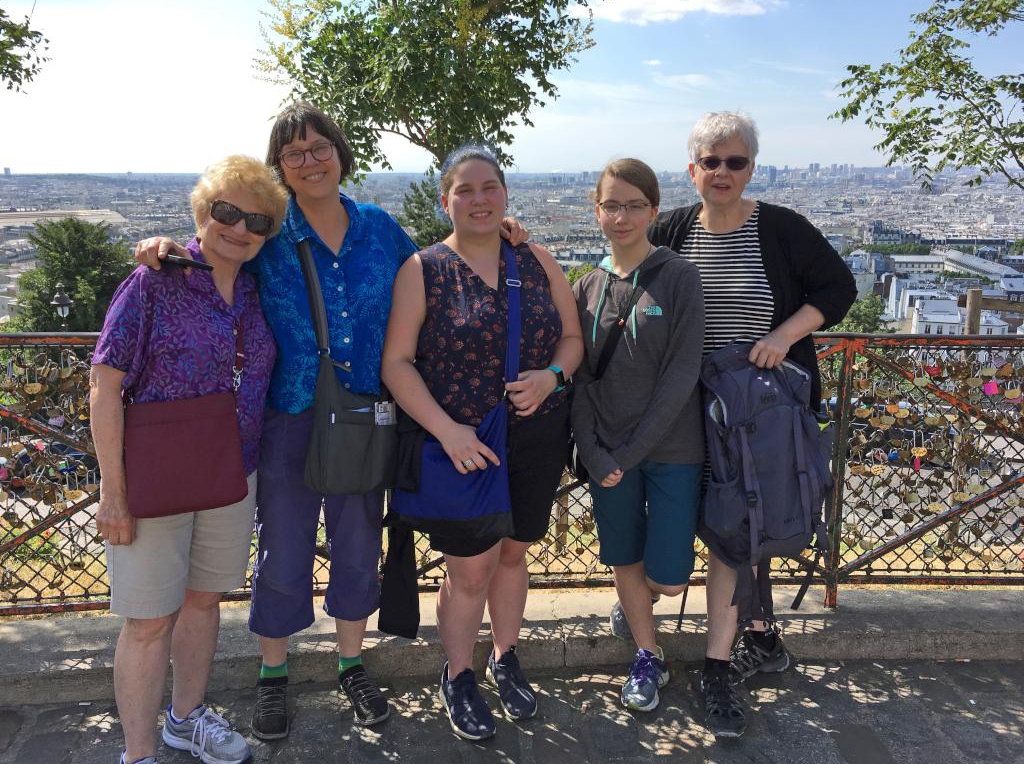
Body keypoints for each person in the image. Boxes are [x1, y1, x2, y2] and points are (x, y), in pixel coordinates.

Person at [134, 102, 417, 738]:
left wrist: (502, 234)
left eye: (320, 148)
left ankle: (351, 663)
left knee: (356, 548)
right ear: (281, 169)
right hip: (289, 415)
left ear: (341, 154)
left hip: (366, 414)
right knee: (283, 551)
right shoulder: (270, 234)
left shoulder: (380, 228)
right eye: (294, 154)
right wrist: (165, 247)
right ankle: (273, 673)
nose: (310, 160)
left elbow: (433, 274)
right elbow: (213, 261)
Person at [646, 112, 856, 738]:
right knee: (696, 509)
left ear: (752, 169)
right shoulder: (674, 228)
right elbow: (620, 262)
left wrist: (784, 336)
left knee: (743, 520)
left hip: (760, 405)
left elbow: (837, 287)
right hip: (690, 401)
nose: (722, 172)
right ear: (693, 170)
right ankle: (740, 631)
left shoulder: (782, 228)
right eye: (711, 162)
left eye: (734, 162)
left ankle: (727, 652)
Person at [380, 144, 583, 740]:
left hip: (536, 433)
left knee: (514, 553)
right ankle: (459, 673)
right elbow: (397, 362)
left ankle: (505, 655)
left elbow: (571, 338)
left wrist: (552, 378)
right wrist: (446, 431)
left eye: (488, 187)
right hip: (464, 442)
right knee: (469, 570)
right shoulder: (424, 269)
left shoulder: (536, 258)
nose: (478, 199)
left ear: (505, 195)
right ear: (445, 201)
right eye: (464, 190)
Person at [92, 155, 287, 764]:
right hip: (157, 476)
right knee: (149, 620)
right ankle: (139, 752)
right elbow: (104, 385)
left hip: (232, 472)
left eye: (256, 221)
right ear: (201, 213)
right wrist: (113, 493)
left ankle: (186, 718)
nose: (240, 228)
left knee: (204, 602)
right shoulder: (155, 280)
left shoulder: (257, 292)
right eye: (226, 212)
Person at [571, 159, 705, 713]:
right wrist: (592, 450)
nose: (621, 216)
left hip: (671, 449)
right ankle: (647, 657)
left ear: (653, 210)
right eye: (610, 205)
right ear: (596, 209)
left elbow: (681, 375)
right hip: (607, 451)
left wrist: (625, 453)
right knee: (624, 557)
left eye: (632, 205)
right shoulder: (586, 286)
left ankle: (637, 606)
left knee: (670, 576)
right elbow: (576, 376)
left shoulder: (677, 275)